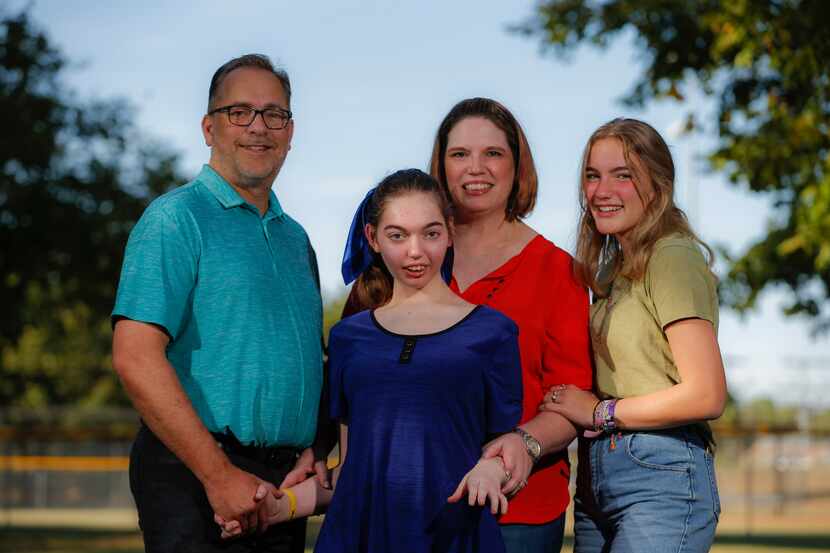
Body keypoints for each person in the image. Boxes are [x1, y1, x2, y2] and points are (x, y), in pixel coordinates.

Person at [221, 168, 525, 552]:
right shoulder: (350, 338)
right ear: (373, 238)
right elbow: (352, 473)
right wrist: (280, 508)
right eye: (397, 235)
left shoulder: (493, 332)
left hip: (454, 536)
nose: (415, 251)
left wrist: (493, 469)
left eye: (430, 233)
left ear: (449, 232)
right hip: (358, 538)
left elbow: (507, 449)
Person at [111, 53, 330, 553]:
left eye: (274, 114)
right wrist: (217, 474)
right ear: (209, 128)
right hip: (193, 474)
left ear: (291, 131)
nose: (259, 127)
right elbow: (134, 356)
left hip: (282, 485)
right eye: (240, 112)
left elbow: (307, 365)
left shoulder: (297, 240)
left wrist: (315, 447)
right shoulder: (175, 219)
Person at [539, 118, 726, 552]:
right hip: (599, 475)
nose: (602, 191)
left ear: (657, 185)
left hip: (661, 475)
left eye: (623, 175)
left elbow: (707, 394)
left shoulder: (672, 256)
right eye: (593, 175)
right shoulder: (613, 269)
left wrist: (600, 411)